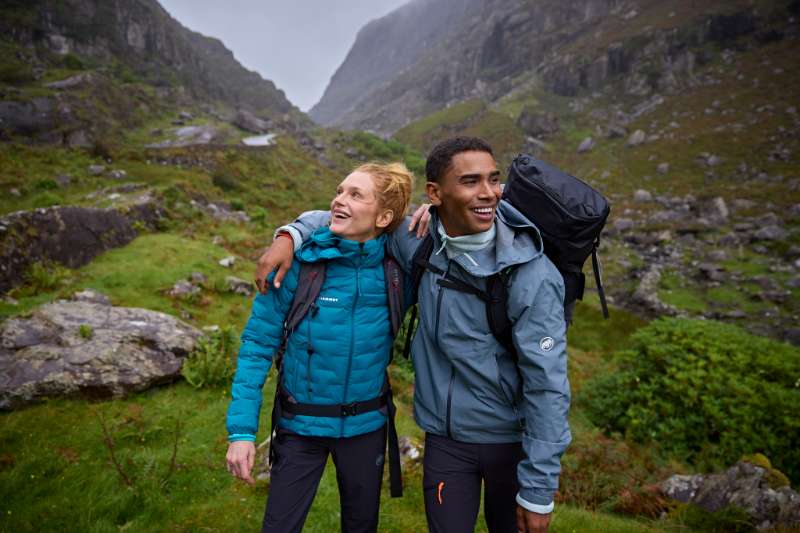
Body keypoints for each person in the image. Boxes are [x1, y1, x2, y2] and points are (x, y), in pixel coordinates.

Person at [259, 136, 571, 533]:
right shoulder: (417, 241)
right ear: (435, 193)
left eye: (494, 180)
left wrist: (538, 490)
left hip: (511, 442)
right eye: (471, 181)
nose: (489, 192)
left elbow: (549, 386)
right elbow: (354, 215)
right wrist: (290, 235)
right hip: (445, 441)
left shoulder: (531, 275)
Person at [226, 162, 415, 533]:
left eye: (355, 195)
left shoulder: (397, 273)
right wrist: (242, 433)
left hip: (366, 428)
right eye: (340, 190)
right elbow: (257, 345)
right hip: (300, 427)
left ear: (384, 216)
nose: (339, 200)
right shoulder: (299, 263)